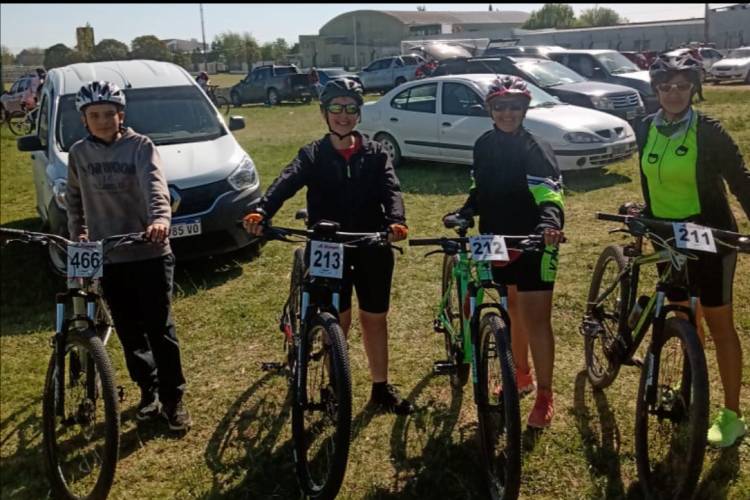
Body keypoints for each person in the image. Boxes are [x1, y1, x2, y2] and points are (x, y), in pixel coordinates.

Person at [242, 78, 414, 415]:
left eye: (351, 108)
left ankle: (380, 388)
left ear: (359, 115)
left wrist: (396, 220)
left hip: (371, 243)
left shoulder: (376, 153)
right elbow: (286, 181)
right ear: (324, 113)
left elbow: (391, 190)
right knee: (337, 318)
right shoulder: (313, 154)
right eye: (336, 108)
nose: (344, 115)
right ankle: (336, 382)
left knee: (374, 319)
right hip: (327, 245)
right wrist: (262, 210)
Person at [633, 55, 750, 448]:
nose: (674, 93)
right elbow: (653, 180)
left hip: (710, 236)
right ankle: (690, 385)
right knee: (682, 314)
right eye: (666, 86)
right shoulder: (645, 128)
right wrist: (644, 214)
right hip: (665, 235)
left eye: (682, 85)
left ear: (694, 89)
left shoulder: (709, 131)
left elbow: (740, 179)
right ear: (656, 90)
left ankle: (732, 415)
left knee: (719, 324)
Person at [66, 80, 192, 431]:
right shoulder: (79, 153)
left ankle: (173, 397)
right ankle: (147, 390)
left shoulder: (140, 146)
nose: (103, 121)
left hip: (149, 250)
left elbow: (155, 186)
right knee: (128, 330)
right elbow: (74, 200)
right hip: (109, 256)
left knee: (159, 327)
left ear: (121, 115)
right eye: (95, 115)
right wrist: (79, 234)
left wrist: (160, 220)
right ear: (84, 119)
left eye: (109, 114)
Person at [445, 75, 565, 429]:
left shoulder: (536, 147)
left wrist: (548, 226)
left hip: (533, 240)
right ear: (490, 110)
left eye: (514, 106)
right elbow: (478, 189)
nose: (507, 113)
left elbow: (549, 195)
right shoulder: (483, 144)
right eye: (500, 107)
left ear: (524, 109)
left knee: (537, 318)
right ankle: (521, 375)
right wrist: (467, 211)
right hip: (494, 238)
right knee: (512, 307)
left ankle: (545, 394)